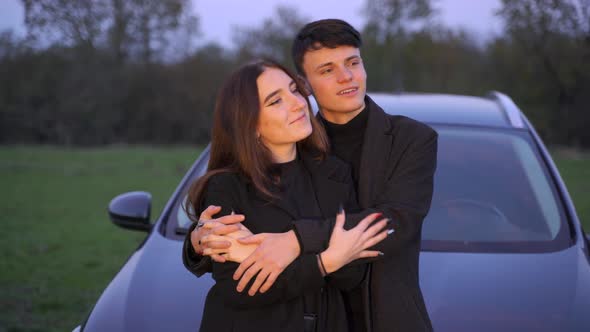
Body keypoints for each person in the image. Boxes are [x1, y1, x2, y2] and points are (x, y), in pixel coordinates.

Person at [185, 19, 438, 332]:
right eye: (327, 69)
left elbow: (396, 221)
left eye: (353, 63)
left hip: (385, 317)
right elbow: (232, 257)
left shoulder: (411, 139)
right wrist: (197, 240)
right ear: (306, 83)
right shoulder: (298, 147)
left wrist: (295, 241)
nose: (346, 77)